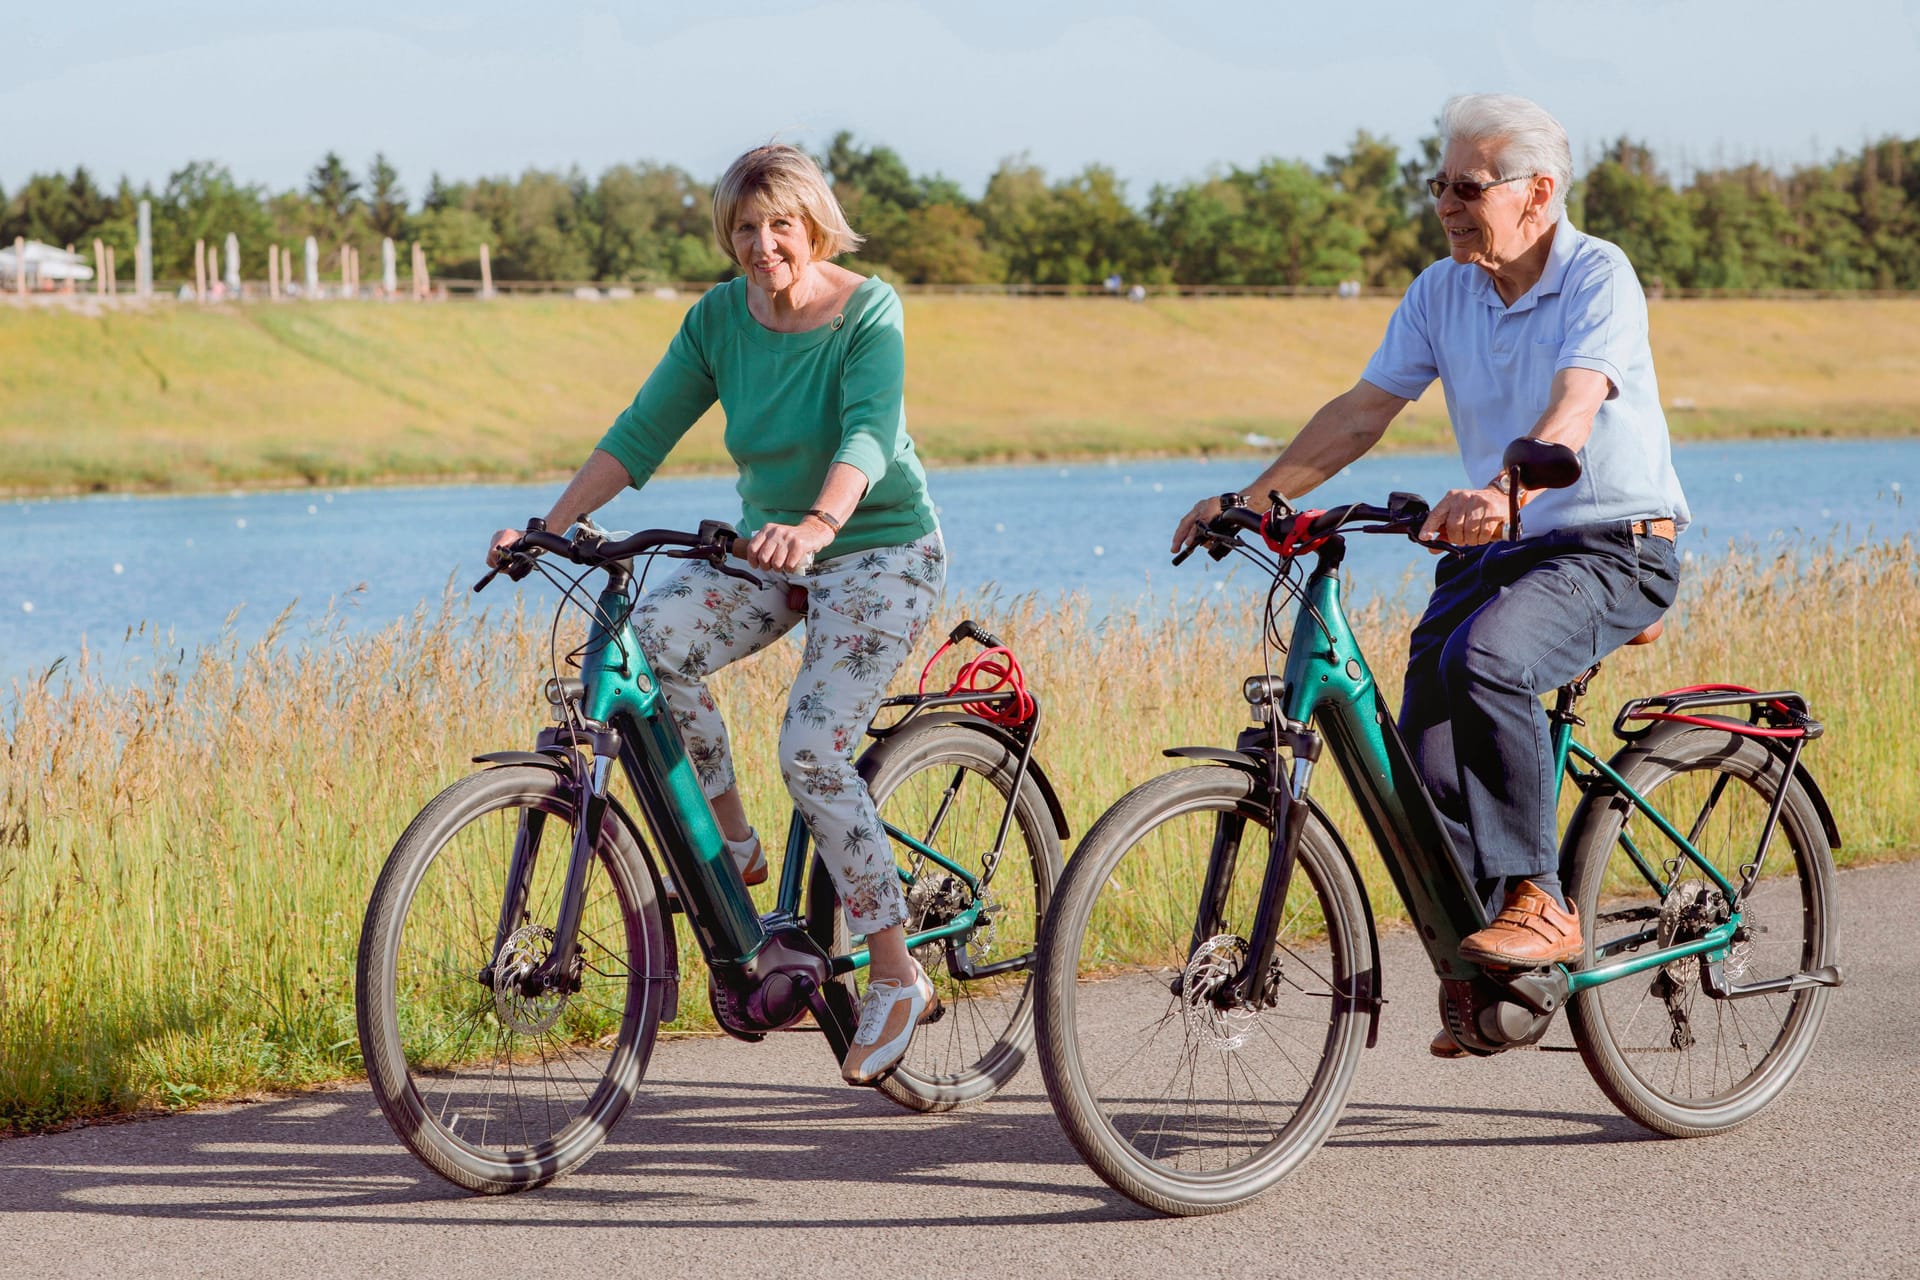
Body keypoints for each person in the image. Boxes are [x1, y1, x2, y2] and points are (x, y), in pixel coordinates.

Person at [1171, 93, 1689, 1057]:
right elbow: (1362, 412)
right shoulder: (1441, 290)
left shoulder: (1595, 274)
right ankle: (1499, 980)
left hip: (1611, 542)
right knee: (1423, 761)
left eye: (1469, 186)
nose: (1447, 203)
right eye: (1438, 184)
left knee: (1488, 660)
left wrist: (1505, 486)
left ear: (1537, 193)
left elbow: (1577, 403)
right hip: (1496, 550)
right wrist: (1251, 498)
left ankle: (1541, 903)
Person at [488, 144, 946, 1085]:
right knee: (645, 643)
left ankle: (898, 974)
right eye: (744, 226)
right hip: (766, 550)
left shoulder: (870, 309)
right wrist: (550, 526)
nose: (762, 243)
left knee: (813, 750)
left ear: (814, 223)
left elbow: (867, 427)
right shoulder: (717, 321)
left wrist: (819, 522)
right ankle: (732, 841)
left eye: (781, 223)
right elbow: (640, 432)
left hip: (880, 546)